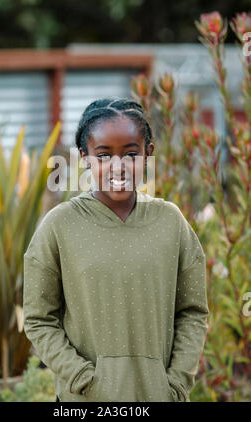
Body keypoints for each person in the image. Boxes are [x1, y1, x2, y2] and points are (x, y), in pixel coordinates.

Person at [23, 97, 209, 402]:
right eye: (104, 155)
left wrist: (176, 384)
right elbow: (39, 318)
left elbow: (192, 312)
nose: (118, 167)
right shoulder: (59, 226)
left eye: (131, 154)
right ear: (84, 157)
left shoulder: (170, 222)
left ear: (148, 154)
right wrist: (83, 378)